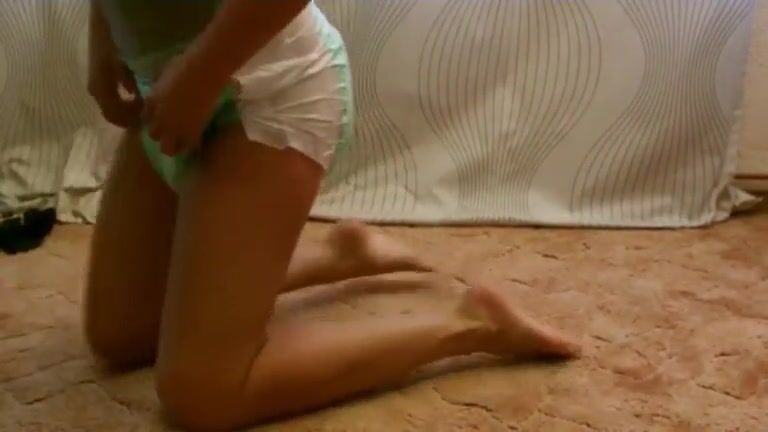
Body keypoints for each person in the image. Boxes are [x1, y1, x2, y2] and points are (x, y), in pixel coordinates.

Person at [83, 1, 580, 430]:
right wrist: (103, 38)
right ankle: (340, 254)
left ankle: (470, 319)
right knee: (120, 333)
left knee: (201, 392)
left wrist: (202, 74)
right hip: (164, 90)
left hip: (266, 93)